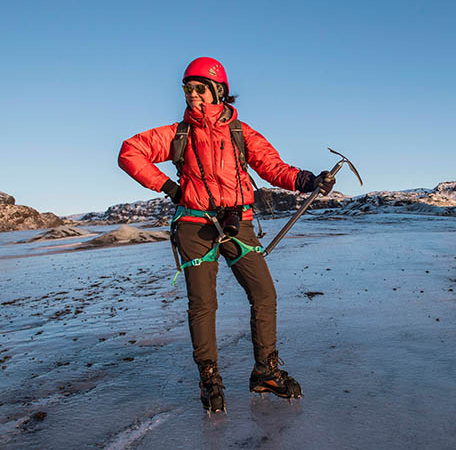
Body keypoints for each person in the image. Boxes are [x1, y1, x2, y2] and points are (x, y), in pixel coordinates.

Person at [118, 57, 335, 413]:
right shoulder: (179, 134)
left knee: (264, 293)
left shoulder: (241, 133)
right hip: (194, 226)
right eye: (187, 89)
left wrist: (307, 180)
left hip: (239, 223)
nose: (192, 96)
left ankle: (266, 371)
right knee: (203, 304)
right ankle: (209, 378)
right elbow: (130, 151)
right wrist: (171, 189)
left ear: (218, 91)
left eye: (199, 89)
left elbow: (272, 166)